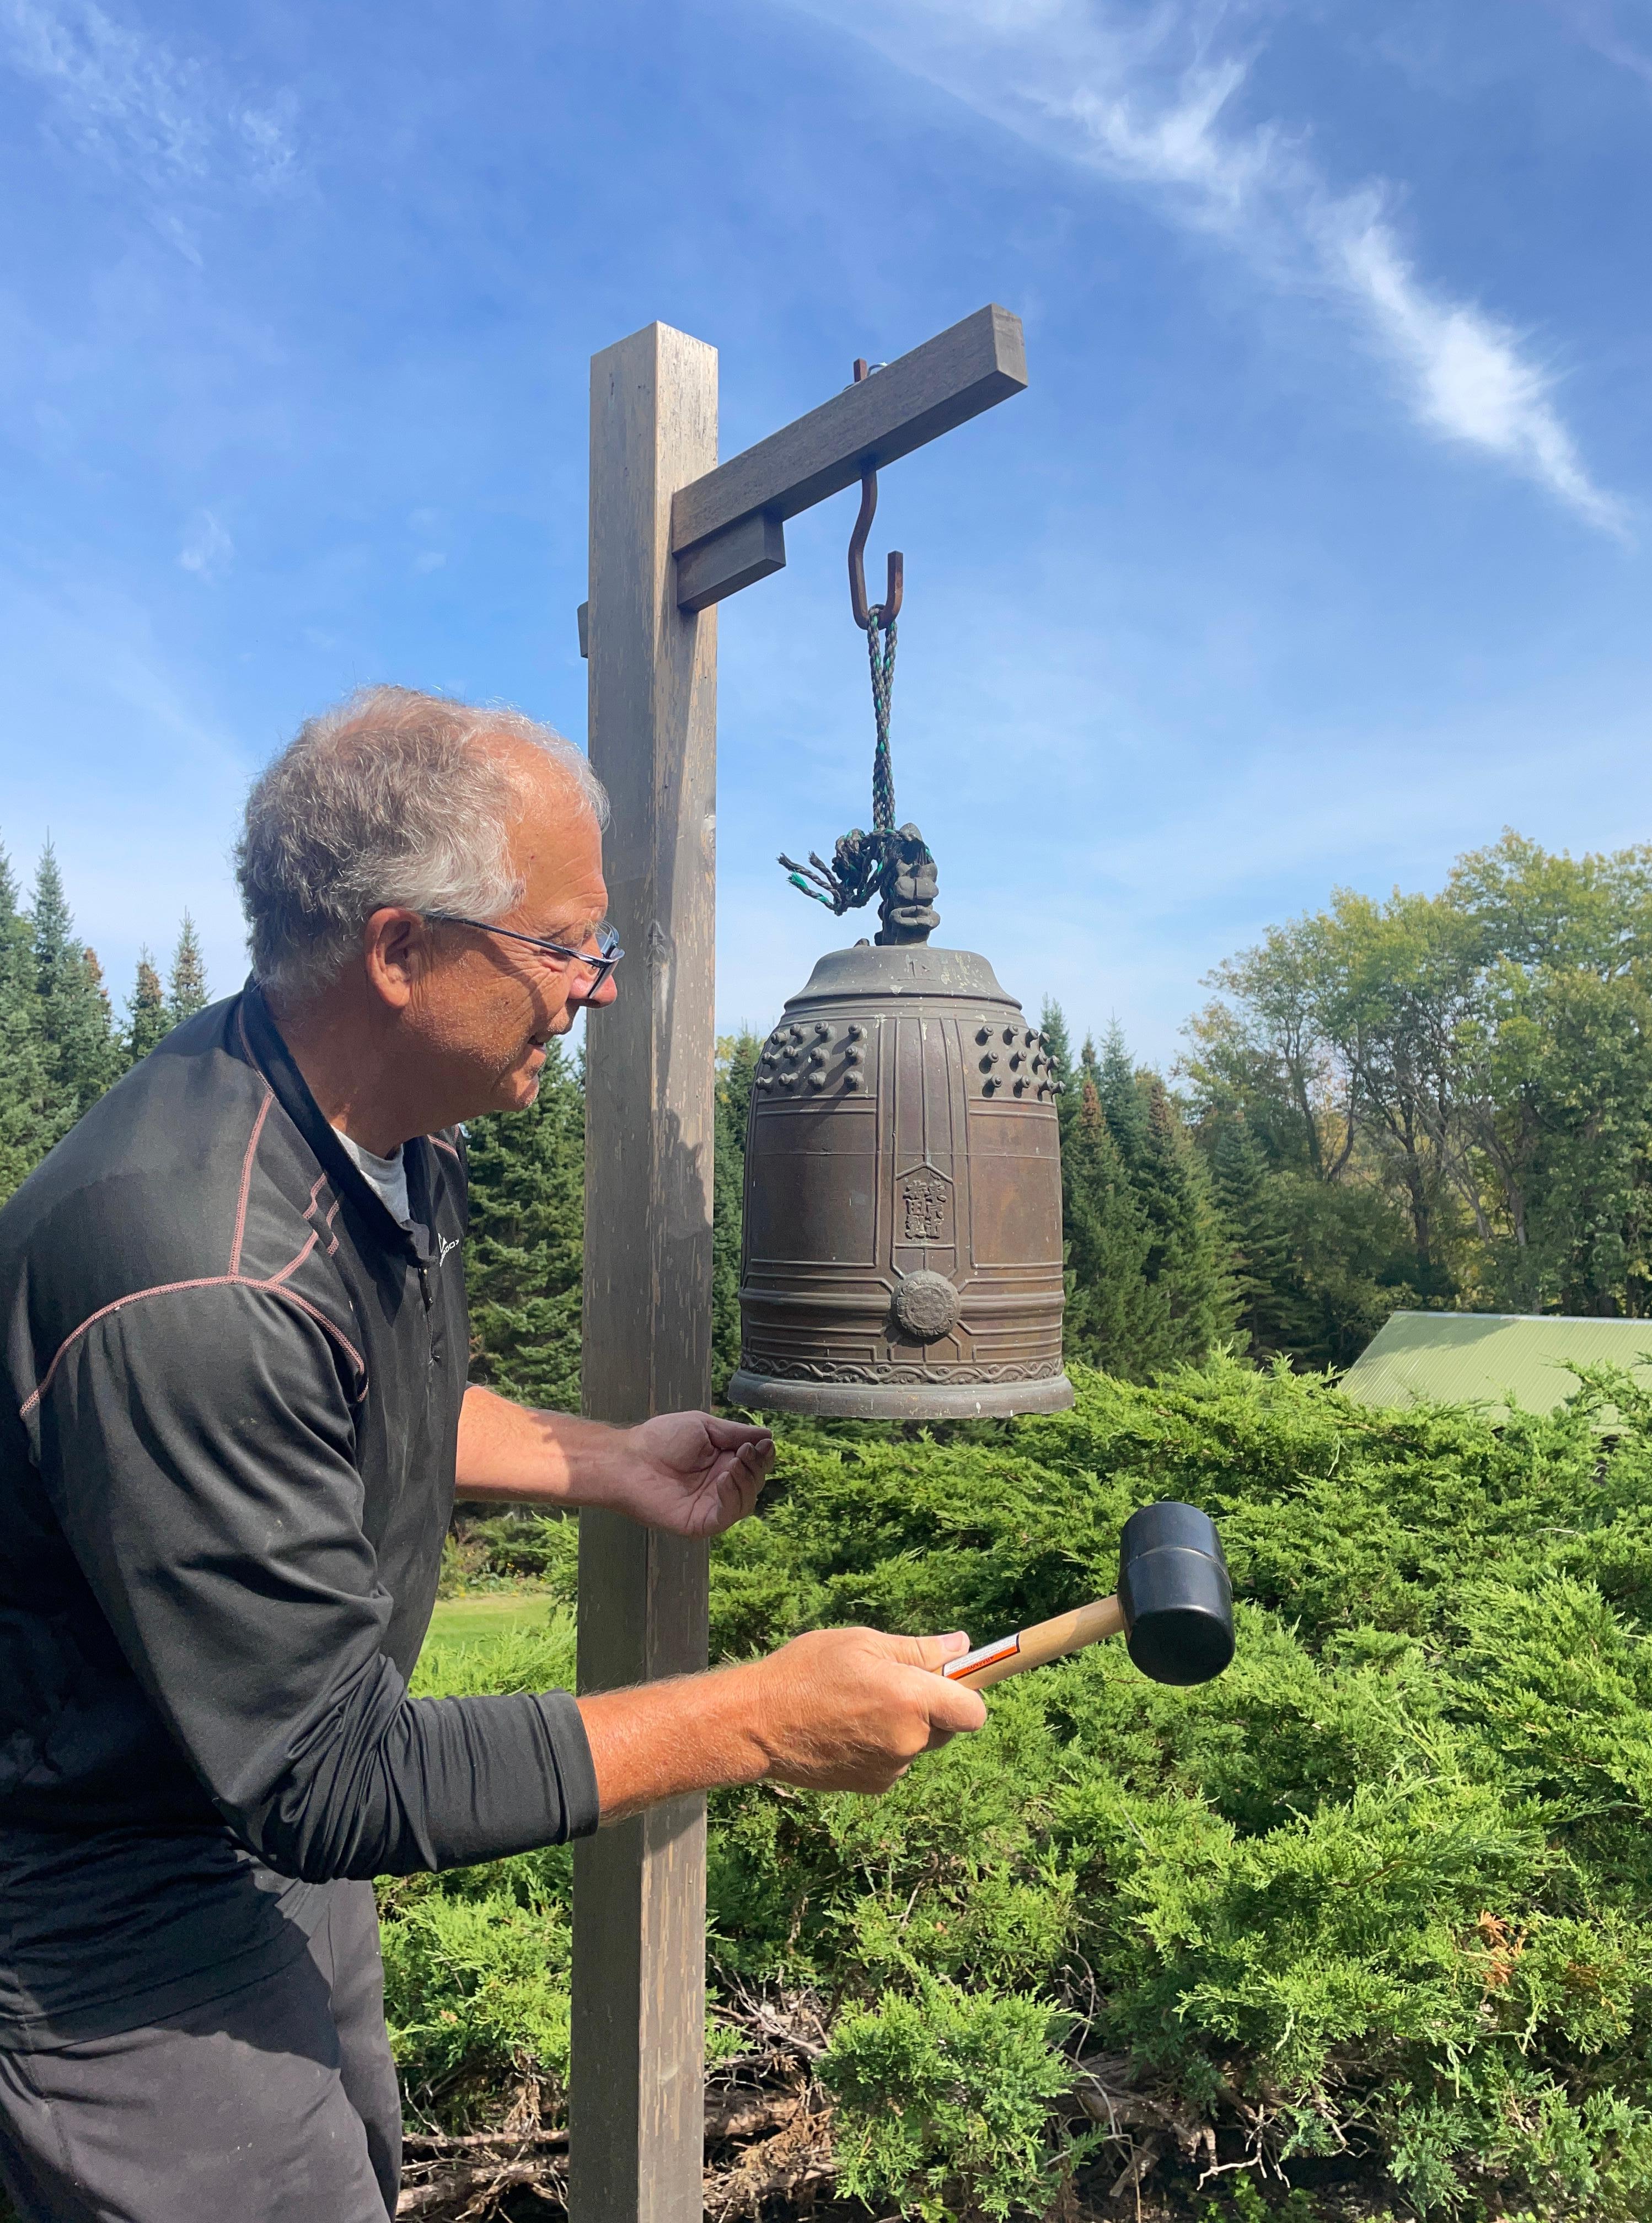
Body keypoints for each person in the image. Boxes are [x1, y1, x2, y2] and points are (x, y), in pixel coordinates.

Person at [0, 686, 986, 2223]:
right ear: (399, 952)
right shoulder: (194, 1270)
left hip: (246, 1794)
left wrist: (610, 1463)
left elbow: (347, 1405)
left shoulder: (380, 1130)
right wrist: (760, 1724)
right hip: (101, 1875)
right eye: (566, 946)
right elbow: (330, 1775)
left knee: (359, 2170)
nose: (595, 988)